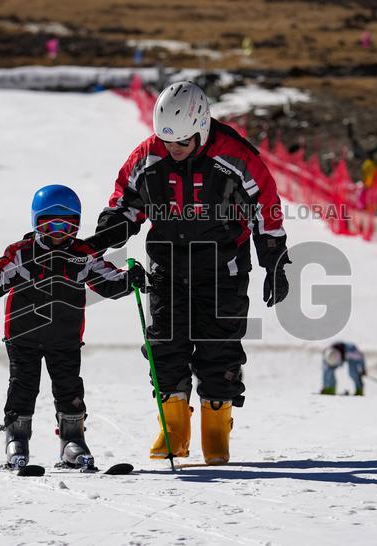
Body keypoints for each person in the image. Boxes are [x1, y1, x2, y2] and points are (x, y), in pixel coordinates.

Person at [84, 81, 290, 465]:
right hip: (167, 265)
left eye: (181, 143)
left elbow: (266, 206)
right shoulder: (149, 155)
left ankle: (216, 425)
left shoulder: (235, 156)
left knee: (219, 347)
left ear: (202, 129)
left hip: (223, 267)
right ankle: (174, 424)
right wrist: (108, 232)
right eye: (166, 143)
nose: (173, 151)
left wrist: (274, 260)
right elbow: (125, 202)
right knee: (165, 345)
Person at [0, 184, 146, 470]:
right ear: (36, 223)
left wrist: (129, 280)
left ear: (77, 226)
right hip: (23, 336)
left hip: (65, 337)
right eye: (50, 225)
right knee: (22, 387)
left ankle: (72, 440)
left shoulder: (83, 254)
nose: (58, 233)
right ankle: (16, 438)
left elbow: (108, 281)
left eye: (67, 226)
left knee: (69, 389)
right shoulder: (22, 253)